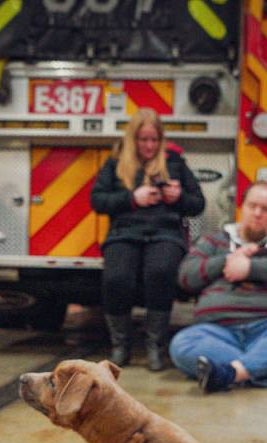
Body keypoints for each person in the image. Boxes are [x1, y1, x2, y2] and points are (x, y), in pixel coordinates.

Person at [168, 181, 267, 393]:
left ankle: (228, 374)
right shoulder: (214, 241)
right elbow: (187, 277)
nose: (257, 213)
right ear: (241, 207)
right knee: (182, 344)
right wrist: (227, 260)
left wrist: (251, 268)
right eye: (252, 206)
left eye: (266, 209)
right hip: (218, 332)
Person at [90, 107, 205, 371]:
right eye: (144, 140)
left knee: (161, 271)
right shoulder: (115, 163)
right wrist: (132, 198)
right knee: (116, 278)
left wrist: (179, 198)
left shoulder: (175, 162)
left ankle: (155, 346)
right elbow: (97, 200)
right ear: (134, 139)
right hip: (124, 233)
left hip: (165, 233)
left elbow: (198, 203)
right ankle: (120, 346)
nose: (149, 146)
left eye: (154, 140)